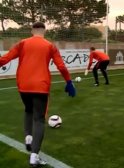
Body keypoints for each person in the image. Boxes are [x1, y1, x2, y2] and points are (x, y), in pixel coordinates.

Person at [0, 22, 76, 167]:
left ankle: (28, 137)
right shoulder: (50, 45)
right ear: (44, 31)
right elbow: (61, 66)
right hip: (40, 86)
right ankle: (34, 157)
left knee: (28, 109)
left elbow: (5, 59)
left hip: (23, 85)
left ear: (32, 30)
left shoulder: (22, 43)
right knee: (39, 119)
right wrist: (69, 82)